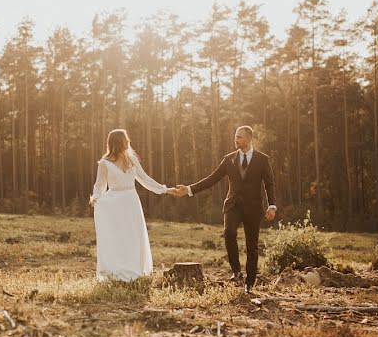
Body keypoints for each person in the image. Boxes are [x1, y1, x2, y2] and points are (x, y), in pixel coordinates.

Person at [174, 125, 277, 293]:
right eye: (235, 136)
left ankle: (249, 283)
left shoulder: (262, 159)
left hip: (253, 208)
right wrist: (189, 189)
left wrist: (272, 206)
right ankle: (236, 271)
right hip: (232, 205)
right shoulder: (229, 159)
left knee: (252, 245)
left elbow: (269, 184)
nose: (235, 140)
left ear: (249, 138)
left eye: (239, 137)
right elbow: (212, 178)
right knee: (229, 233)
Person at [90, 129, 180, 281]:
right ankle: (117, 269)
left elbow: (145, 179)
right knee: (119, 237)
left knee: (133, 235)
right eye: (126, 140)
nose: (128, 142)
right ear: (118, 142)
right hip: (114, 204)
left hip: (131, 202)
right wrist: (97, 199)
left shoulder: (132, 159)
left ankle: (134, 269)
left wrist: (166, 190)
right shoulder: (104, 163)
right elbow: (99, 186)